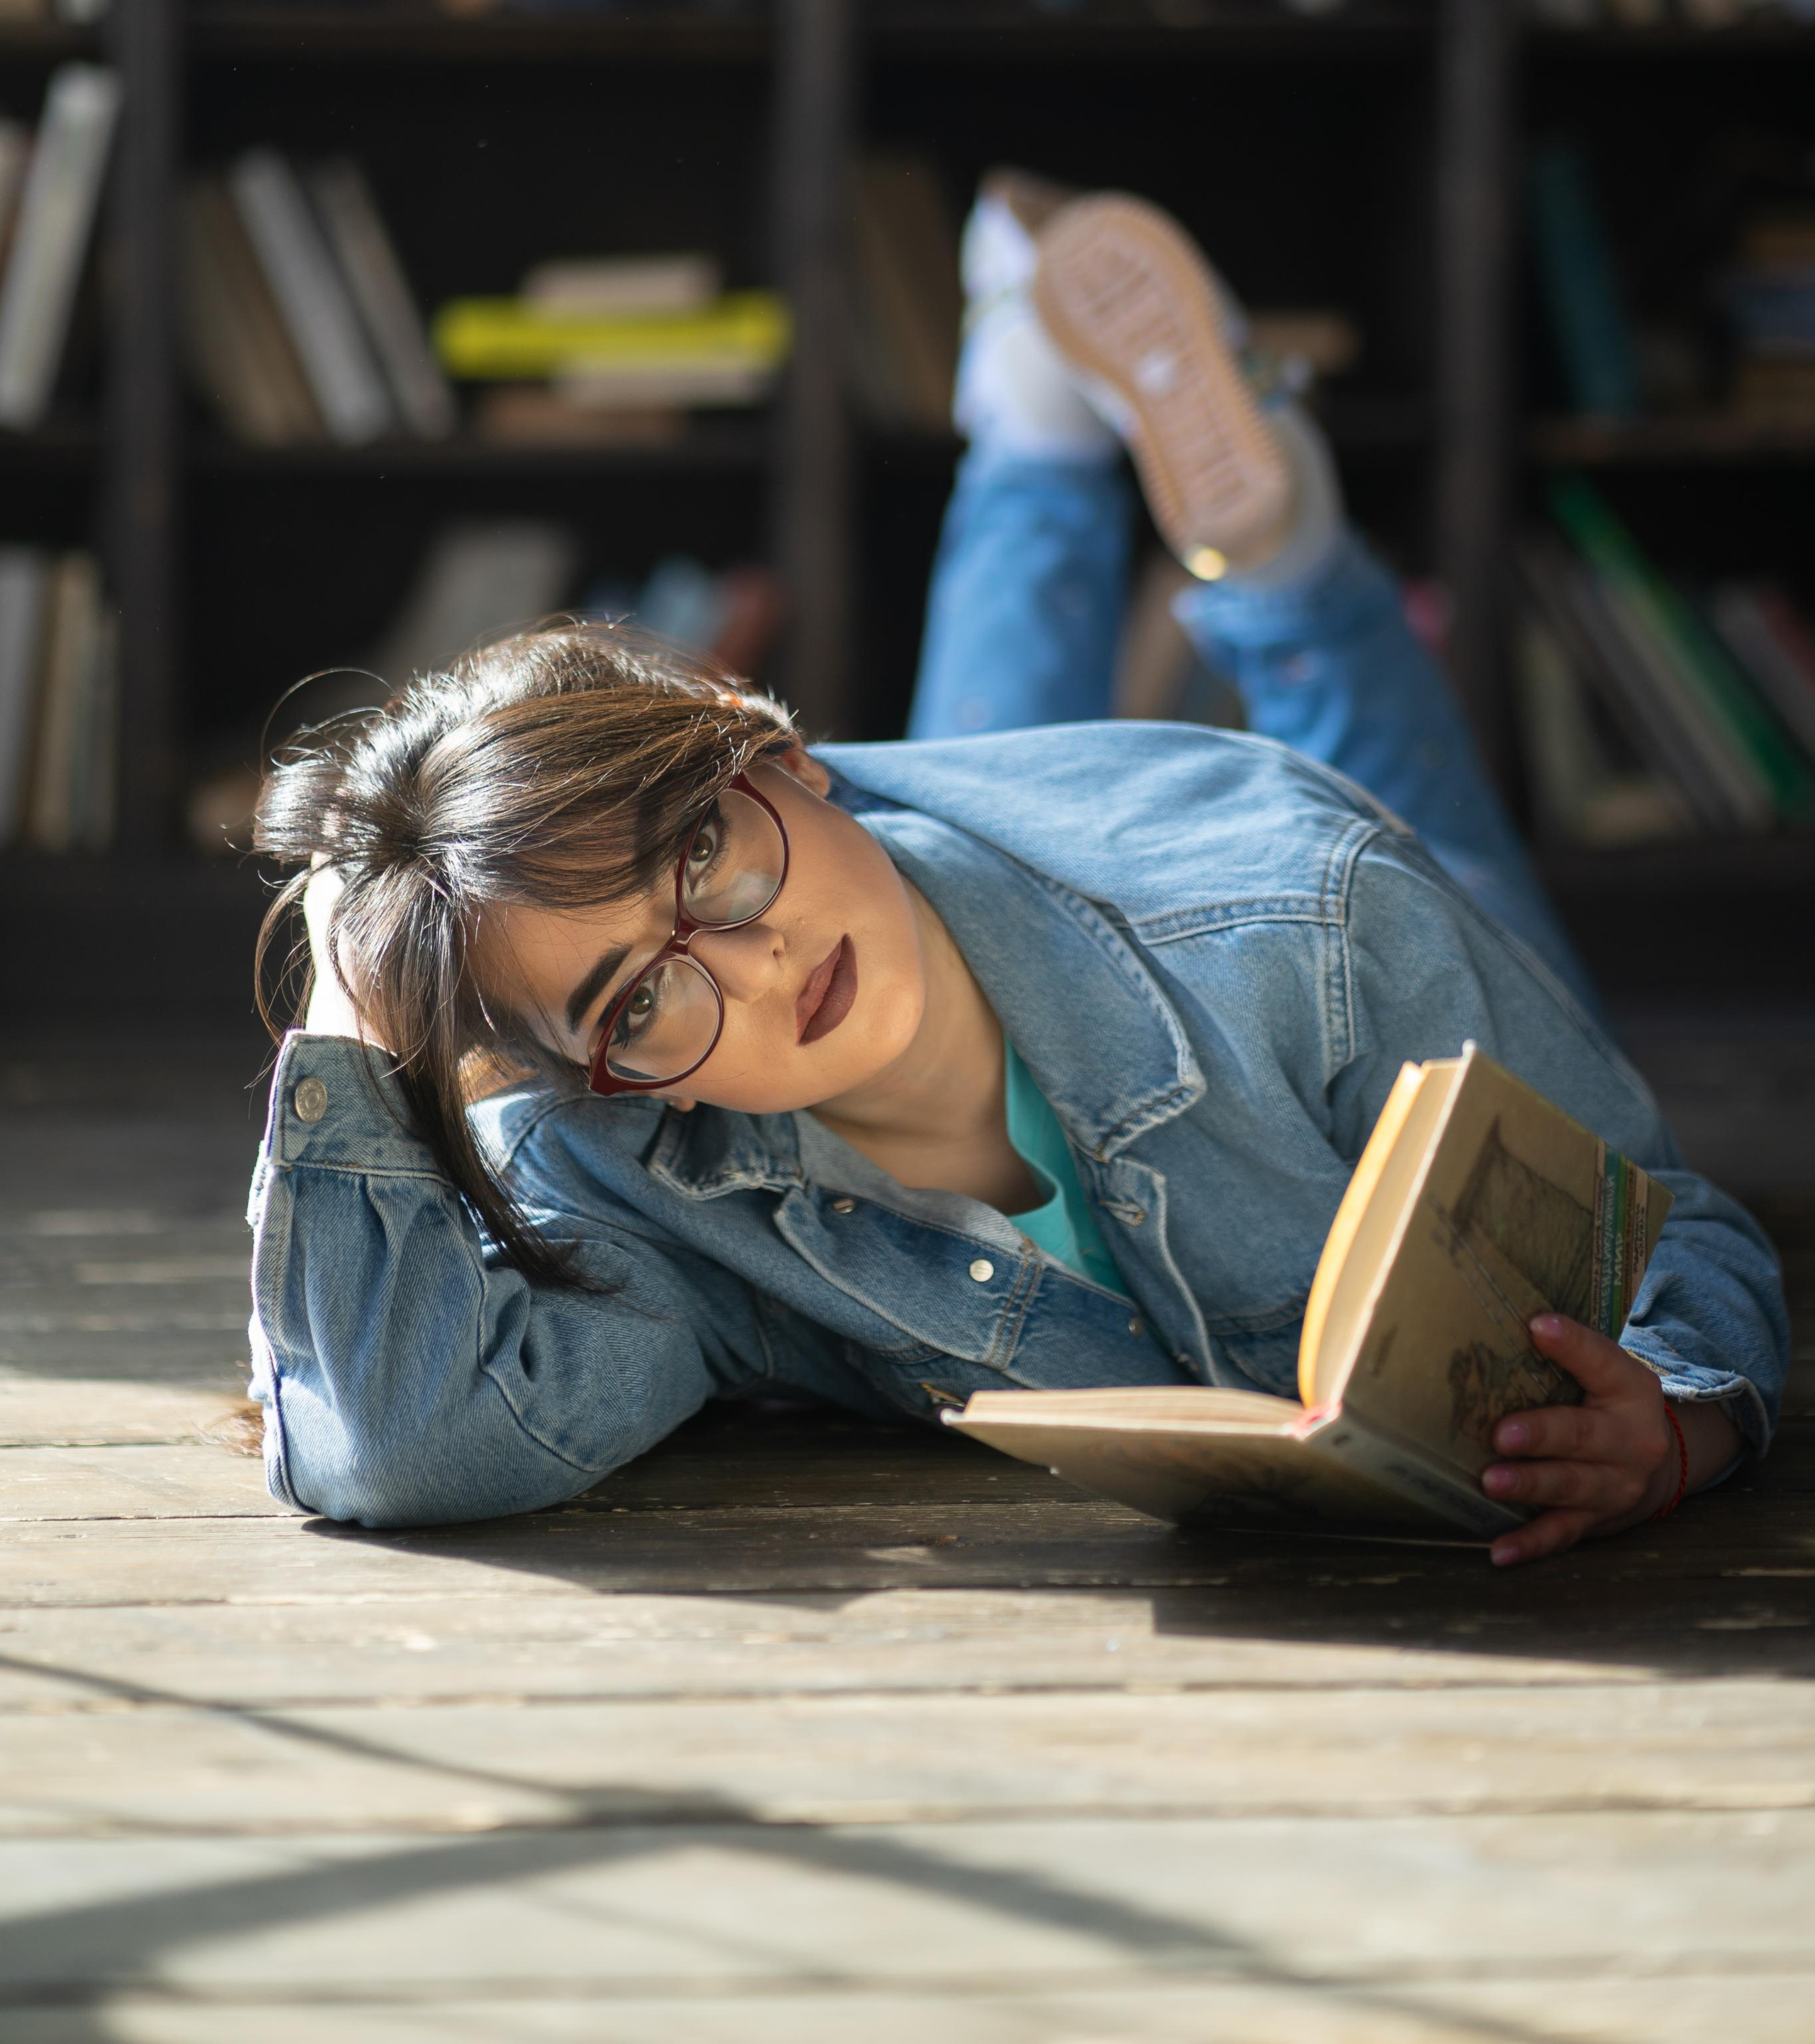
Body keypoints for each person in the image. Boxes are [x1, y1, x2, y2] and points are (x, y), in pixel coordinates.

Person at [250, 179, 1787, 1566]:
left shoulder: (1303, 913)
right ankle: (1037, 416)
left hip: (1239, 879)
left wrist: (1676, 1421)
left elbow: (1680, 1242)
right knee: (946, 805)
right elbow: (401, 1444)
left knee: (1417, 833)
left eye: (702, 861)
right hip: (963, 864)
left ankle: (1277, 564)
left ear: (769, 747)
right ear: (613, 1078)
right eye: (643, 996)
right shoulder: (642, 1174)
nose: (755, 968)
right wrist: (346, 1008)